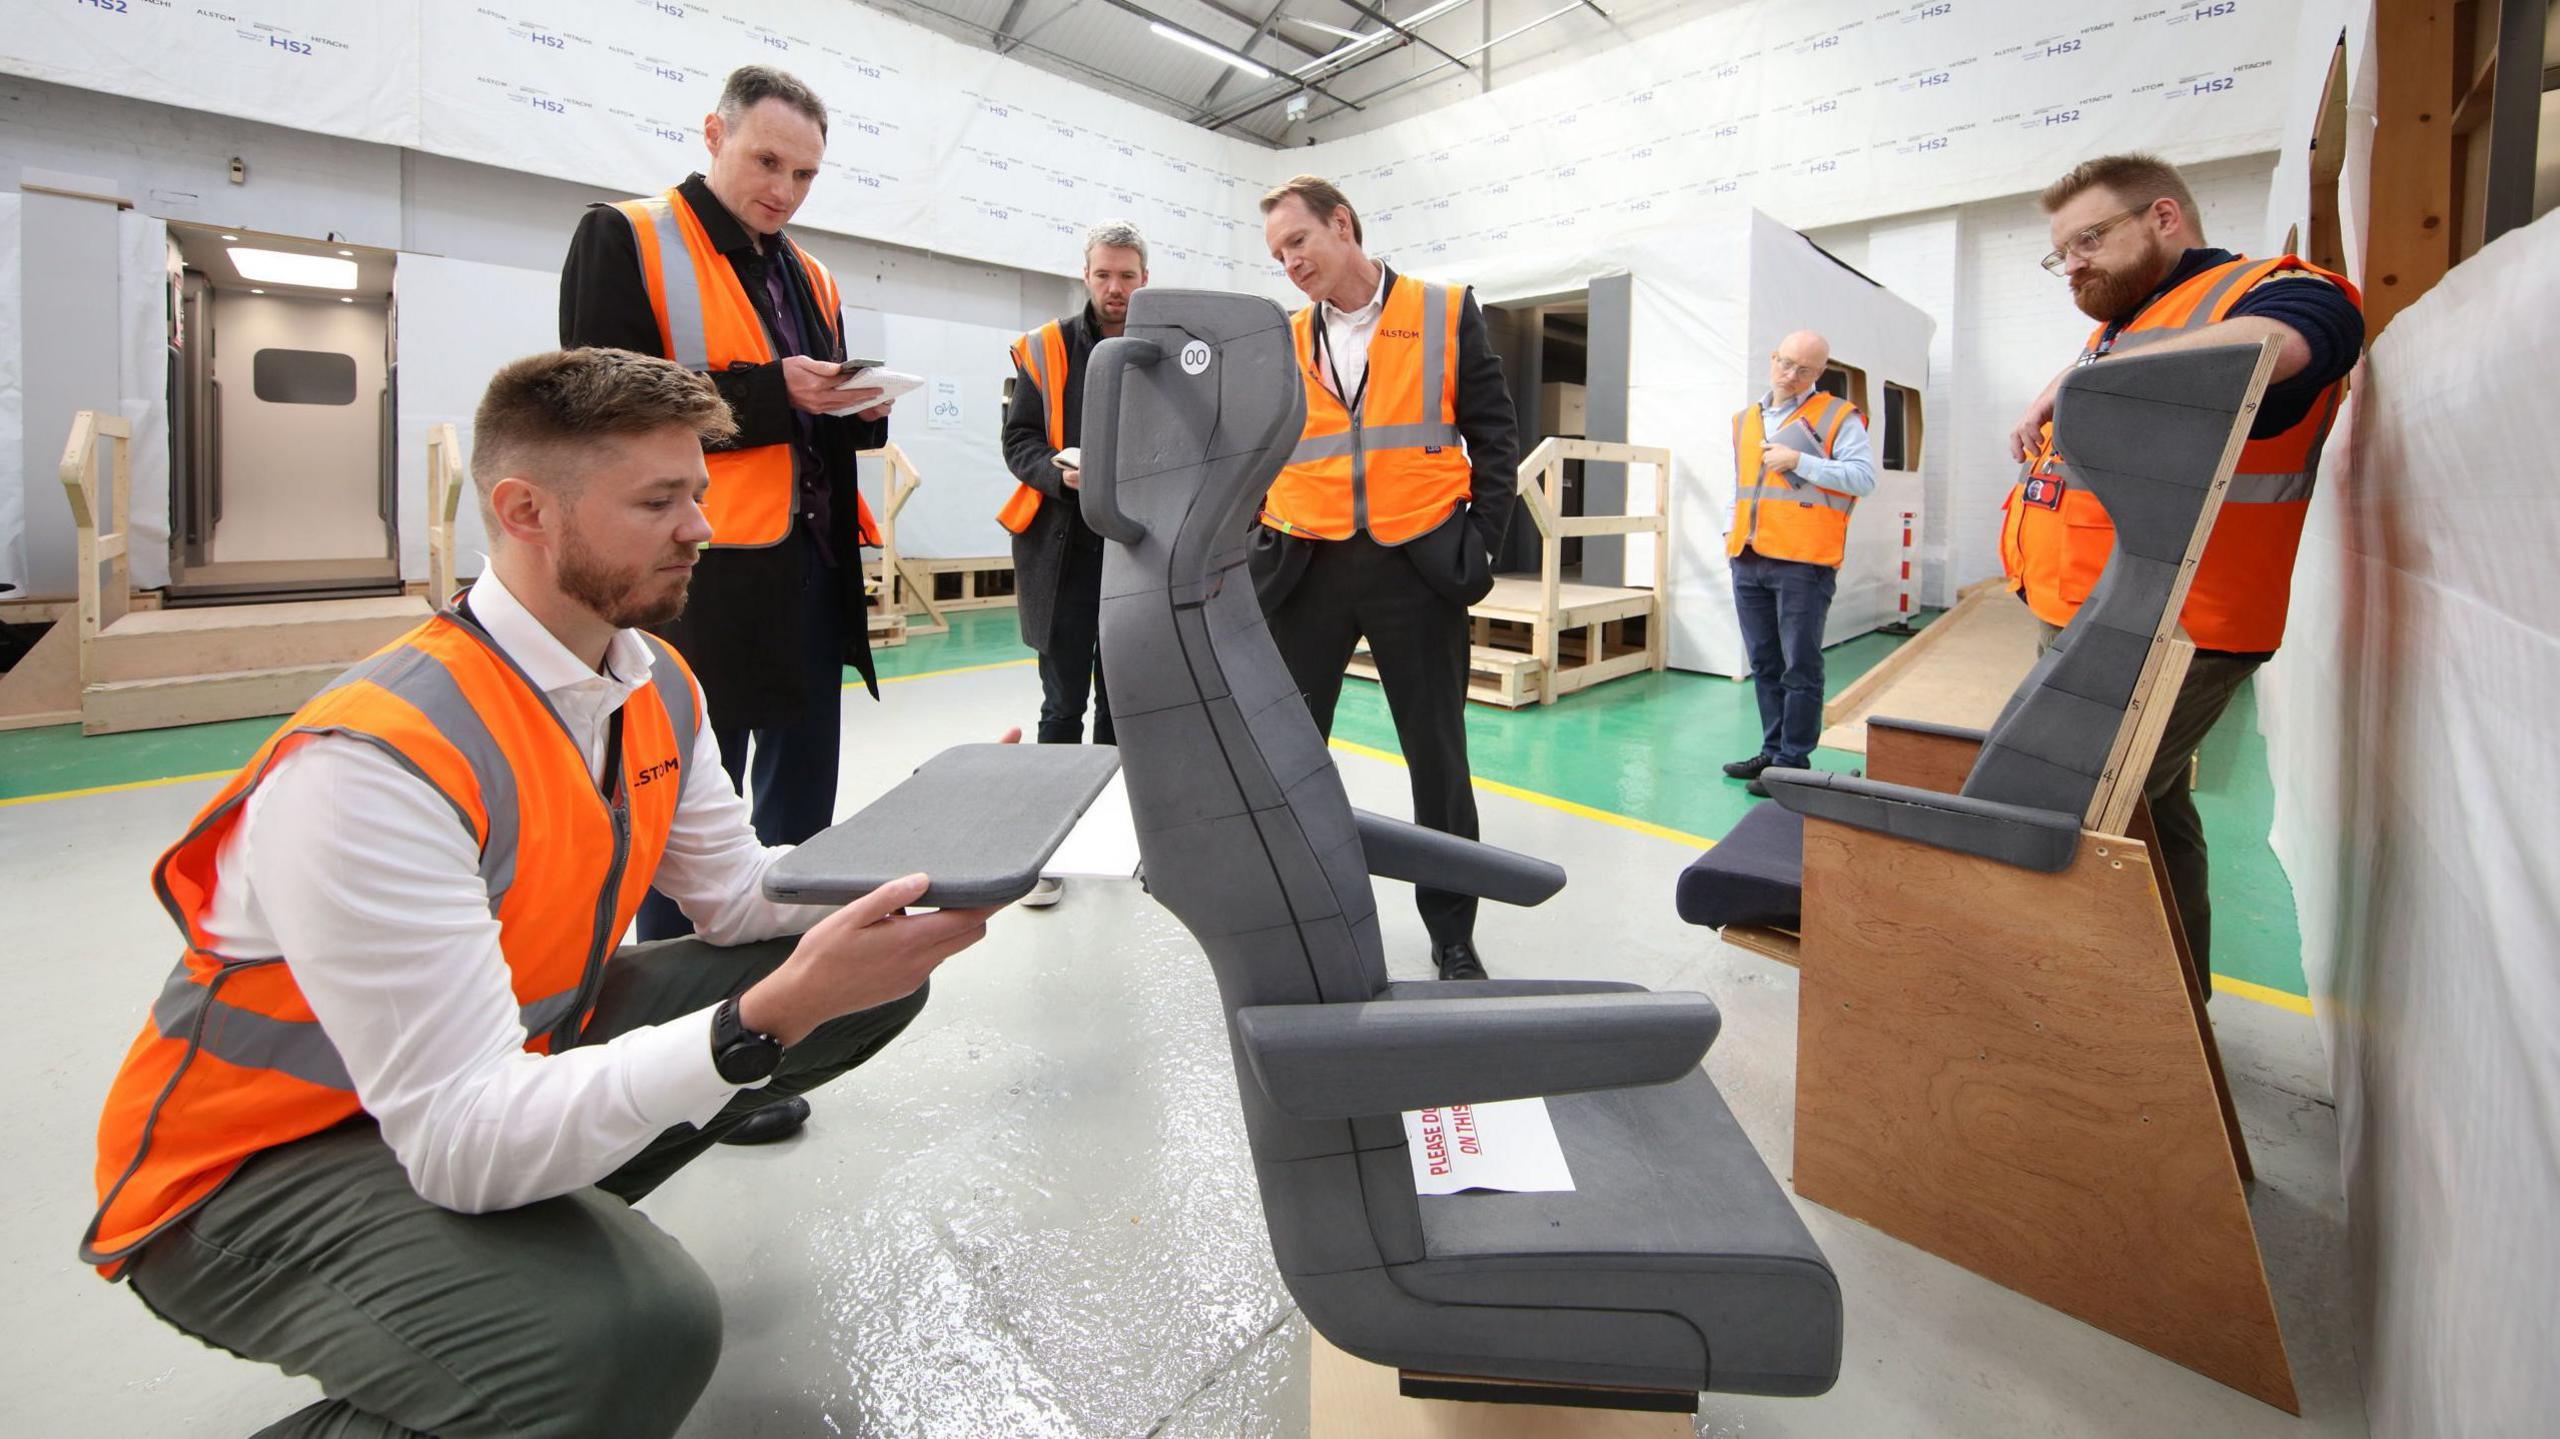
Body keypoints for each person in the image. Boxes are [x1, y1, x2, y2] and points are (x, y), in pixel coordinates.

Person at [80, 348, 1000, 1438]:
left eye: (697, 492)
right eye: (658, 501)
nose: (699, 527)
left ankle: (499, 1266)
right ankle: (508, 1315)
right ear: (525, 511)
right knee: (627, 1337)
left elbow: (739, 896)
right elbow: (463, 1133)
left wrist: (929, 844)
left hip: (465, 1079)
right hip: (254, 1168)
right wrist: (764, 1020)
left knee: (862, 983)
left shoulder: (649, 678)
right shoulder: (374, 762)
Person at [558, 67, 894, 1097]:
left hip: (806, 570)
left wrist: (861, 407)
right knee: (687, 828)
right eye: (766, 161)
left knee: (801, 815)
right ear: (714, 133)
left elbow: (813, 415)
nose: (784, 188)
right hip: (696, 576)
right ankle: (677, 1058)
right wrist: (768, 390)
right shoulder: (631, 236)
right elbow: (592, 391)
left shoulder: (813, 277)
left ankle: (783, 1023)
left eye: (803, 173)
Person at [2002, 152, 2363, 976]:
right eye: (2062, 253)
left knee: (2078, 813)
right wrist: (2078, 369)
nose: (2074, 264)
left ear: (2163, 219)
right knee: (2152, 813)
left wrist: (2085, 379)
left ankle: (2118, 1034)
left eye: (2088, 238)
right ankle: (2174, 1008)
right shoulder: (2124, 324)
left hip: (2177, 629)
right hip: (2098, 620)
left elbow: (2288, 340)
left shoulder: (2278, 288)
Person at [1254, 175, 1520, 982]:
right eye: (1277, 254)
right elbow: (1259, 450)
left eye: (1298, 241)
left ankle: (1451, 933)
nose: (1291, 263)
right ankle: (1300, 916)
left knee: (1437, 761)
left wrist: (1479, 545)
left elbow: (1495, 435)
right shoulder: (1284, 336)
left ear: (1343, 224)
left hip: (1419, 563)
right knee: (1291, 757)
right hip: (1308, 566)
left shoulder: (1443, 310)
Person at [996, 221, 1148, 904]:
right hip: (1062, 546)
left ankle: (1114, 831)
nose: (1115, 288)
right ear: (1086, 275)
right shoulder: (1044, 348)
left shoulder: (1166, 348)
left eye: (1127, 276)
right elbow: (1019, 440)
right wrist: (1059, 474)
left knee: (1124, 701)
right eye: (1104, 275)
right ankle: (1051, 843)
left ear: (1145, 278)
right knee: (1062, 702)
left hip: (1138, 548)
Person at [1721, 330, 1876, 797]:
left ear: (1820, 372)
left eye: (1804, 370)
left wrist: (1800, 461)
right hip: (1748, 557)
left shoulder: (1837, 416)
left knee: (1800, 667)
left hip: (1803, 563)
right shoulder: (1745, 420)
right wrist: (1729, 533)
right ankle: (1773, 753)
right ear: (1773, 359)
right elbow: (1743, 486)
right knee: (1766, 664)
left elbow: (1864, 478)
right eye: (1786, 364)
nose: (1791, 375)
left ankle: (1793, 763)